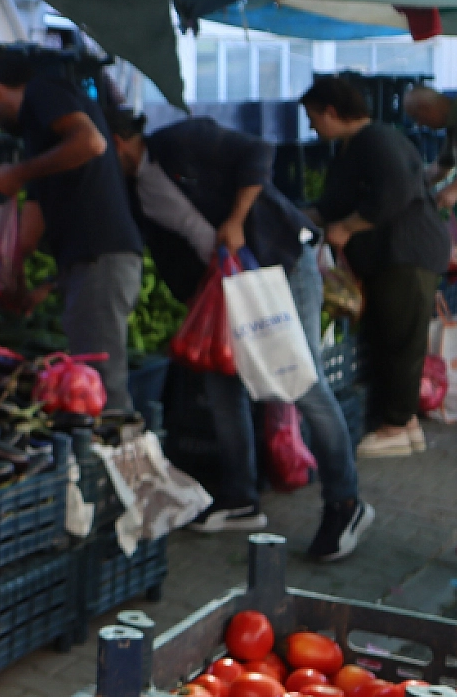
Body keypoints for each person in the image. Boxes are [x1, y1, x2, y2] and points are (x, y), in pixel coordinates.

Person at [109, 111, 374, 561]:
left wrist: (236, 219)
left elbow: (257, 152)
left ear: (117, 140)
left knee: (302, 382)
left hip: (280, 268)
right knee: (221, 384)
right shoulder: (139, 191)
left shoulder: (179, 140)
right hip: (226, 290)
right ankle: (239, 498)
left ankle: (345, 502)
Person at [0, 51, 143, 412]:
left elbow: (91, 142)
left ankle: (122, 457)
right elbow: (31, 225)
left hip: (101, 256)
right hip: (90, 261)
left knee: (99, 386)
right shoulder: (41, 136)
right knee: (91, 377)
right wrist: (14, 272)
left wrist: (16, 175)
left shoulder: (43, 92)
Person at [302, 75, 449, 458]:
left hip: (406, 252)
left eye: (314, 117)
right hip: (391, 256)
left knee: (401, 339)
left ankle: (395, 426)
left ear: (333, 112)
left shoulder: (376, 141)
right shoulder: (354, 147)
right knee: (387, 335)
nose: (311, 126)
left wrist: (348, 227)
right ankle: (405, 423)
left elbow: (397, 191)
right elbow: (334, 204)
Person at [403, 84, 457, 211]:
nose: (419, 124)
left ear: (425, 108)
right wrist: (409, 188)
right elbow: (440, 168)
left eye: (416, 116)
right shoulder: (454, 125)